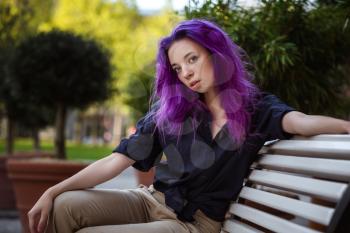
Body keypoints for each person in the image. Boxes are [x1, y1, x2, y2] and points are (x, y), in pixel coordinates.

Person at [28, 19, 350, 233]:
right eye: (178, 68)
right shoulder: (174, 109)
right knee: (64, 205)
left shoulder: (256, 108)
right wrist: (53, 189)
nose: (186, 74)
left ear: (215, 52)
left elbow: (300, 122)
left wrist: (347, 127)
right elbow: (118, 160)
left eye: (192, 59)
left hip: (192, 224)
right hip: (151, 200)